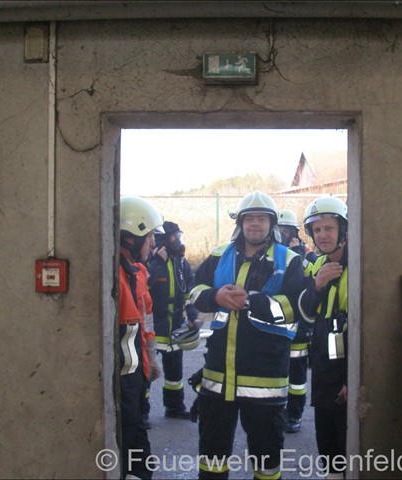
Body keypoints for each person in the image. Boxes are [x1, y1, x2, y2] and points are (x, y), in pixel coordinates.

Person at [189, 190, 307, 479]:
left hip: (265, 382)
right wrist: (215, 296)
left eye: (262, 219)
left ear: (272, 224)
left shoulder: (290, 261)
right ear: (240, 223)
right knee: (212, 461)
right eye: (249, 218)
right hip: (218, 379)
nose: (255, 223)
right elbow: (193, 291)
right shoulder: (219, 255)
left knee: (267, 464)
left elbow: (297, 308)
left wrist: (252, 302)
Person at [298, 195, 349, 480]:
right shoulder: (315, 265)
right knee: (327, 445)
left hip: (345, 370)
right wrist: (317, 285)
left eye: (329, 228)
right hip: (322, 369)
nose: (322, 235)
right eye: (317, 230)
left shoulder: (360, 264)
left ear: (343, 229)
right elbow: (304, 313)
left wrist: (352, 379)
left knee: (348, 445)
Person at [118, 196, 164, 480]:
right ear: (131, 237)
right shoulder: (113, 275)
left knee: (138, 457)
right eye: (149, 237)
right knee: (127, 454)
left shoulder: (138, 272)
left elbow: (145, 320)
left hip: (136, 380)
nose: (153, 244)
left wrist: (151, 357)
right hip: (122, 386)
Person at [146, 221, 200, 421]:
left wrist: (193, 316)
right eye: (173, 237)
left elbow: (189, 292)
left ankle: (174, 407)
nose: (178, 241)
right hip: (155, 323)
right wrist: (157, 263)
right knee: (147, 371)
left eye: (179, 236)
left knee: (175, 371)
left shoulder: (181, 262)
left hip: (176, 324)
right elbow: (143, 285)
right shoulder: (150, 261)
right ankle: (141, 413)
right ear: (162, 240)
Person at [277, 209, 317, 433]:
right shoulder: (272, 254)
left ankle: (294, 414)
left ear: (294, 232)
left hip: (299, 326)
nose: (282, 234)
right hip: (277, 325)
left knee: (297, 378)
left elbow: (314, 276)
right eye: (279, 230)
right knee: (276, 373)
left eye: (286, 230)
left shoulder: (304, 254)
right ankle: (276, 411)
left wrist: (299, 255)